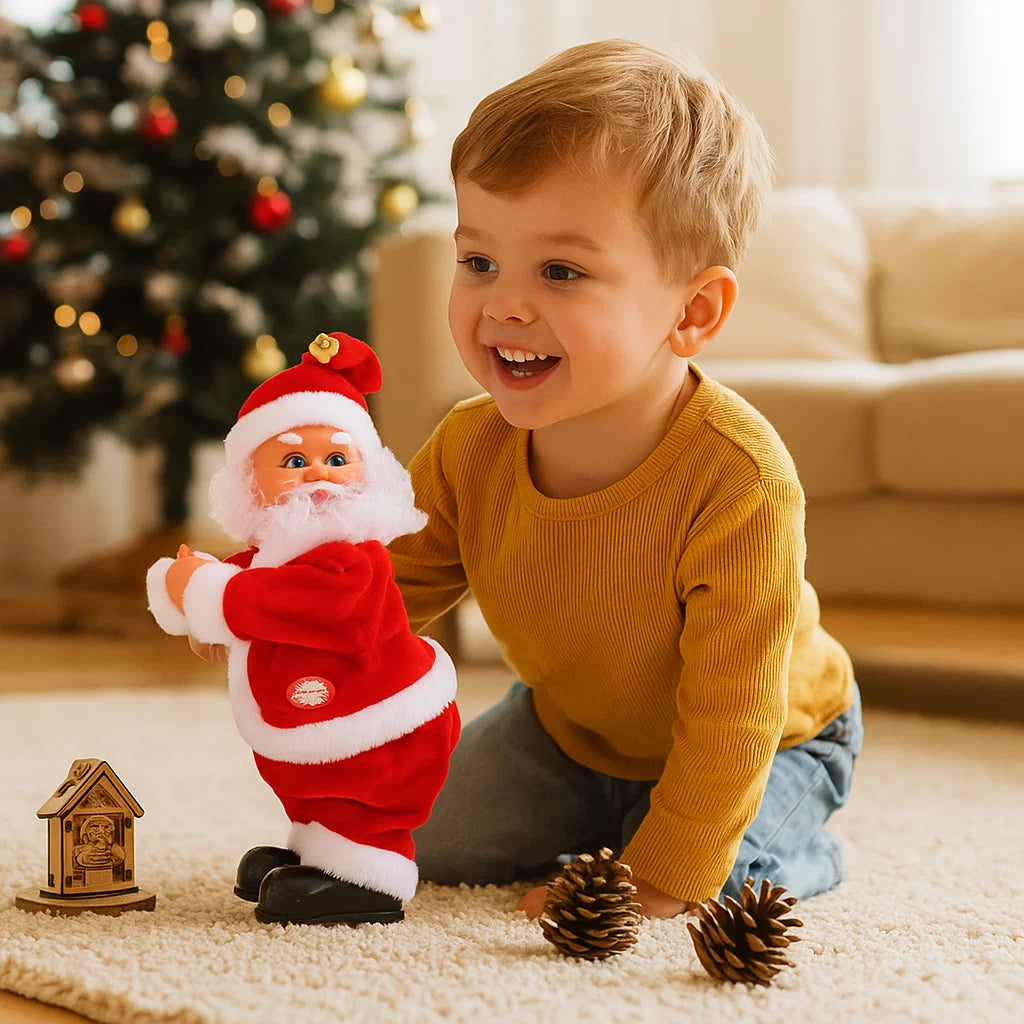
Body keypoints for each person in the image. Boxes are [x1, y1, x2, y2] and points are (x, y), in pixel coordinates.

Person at [387, 39, 863, 920]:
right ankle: (615, 817)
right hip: (571, 732)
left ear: (692, 313)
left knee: (718, 882)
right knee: (414, 844)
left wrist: (660, 876)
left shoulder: (739, 478)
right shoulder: (469, 447)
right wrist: (273, 624)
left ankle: (800, 843)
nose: (503, 306)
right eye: (479, 261)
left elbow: (734, 718)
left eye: (560, 271)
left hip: (773, 740)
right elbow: (387, 590)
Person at [148, 332, 460, 925]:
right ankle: (313, 845)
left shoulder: (354, 556)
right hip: (316, 715)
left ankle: (367, 869)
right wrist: (201, 602)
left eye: (337, 459)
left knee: (356, 788)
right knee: (307, 780)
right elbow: (249, 584)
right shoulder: (277, 551)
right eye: (294, 461)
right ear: (251, 480)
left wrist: (211, 594)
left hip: (376, 727)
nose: (318, 475)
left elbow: (319, 605)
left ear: (366, 473)